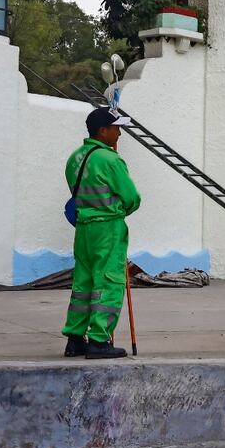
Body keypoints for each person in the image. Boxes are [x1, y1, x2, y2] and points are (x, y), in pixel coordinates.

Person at [62, 107, 140, 359]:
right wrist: (117, 211)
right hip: (108, 228)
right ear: (102, 131)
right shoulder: (111, 160)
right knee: (108, 280)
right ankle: (98, 340)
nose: (119, 134)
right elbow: (132, 198)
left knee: (83, 283)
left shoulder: (75, 158)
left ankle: (75, 338)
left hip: (83, 228)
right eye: (116, 128)